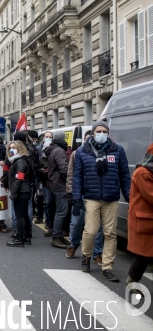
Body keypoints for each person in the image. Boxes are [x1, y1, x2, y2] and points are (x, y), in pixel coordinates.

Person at [73, 120, 130, 282]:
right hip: (91, 197)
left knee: (110, 233)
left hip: (111, 198)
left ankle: (107, 267)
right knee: (90, 231)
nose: (101, 134)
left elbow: (125, 175)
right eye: (98, 131)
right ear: (92, 133)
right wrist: (77, 196)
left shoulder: (117, 150)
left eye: (104, 132)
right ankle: (86, 256)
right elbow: (77, 176)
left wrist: (129, 196)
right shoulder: (83, 151)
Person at [66, 131, 104, 261]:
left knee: (98, 227)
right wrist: (71, 193)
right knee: (77, 223)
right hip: (80, 194)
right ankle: (73, 244)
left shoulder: (102, 153)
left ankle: (97, 253)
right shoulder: (77, 154)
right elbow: (71, 175)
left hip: (95, 194)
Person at [125, 142, 153, 288]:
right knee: (143, 255)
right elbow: (151, 195)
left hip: (147, 219)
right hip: (145, 220)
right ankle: (132, 281)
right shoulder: (143, 172)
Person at [44, 131, 70, 249]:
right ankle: (56, 237)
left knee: (59, 210)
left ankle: (58, 235)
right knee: (61, 211)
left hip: (55, 183)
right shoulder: (59, 151)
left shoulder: (53, 149)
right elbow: (64, 168)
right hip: (60, 184)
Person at [5, 141, 34, 248]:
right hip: (24, 191)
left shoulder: (20, 162)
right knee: (24, 215)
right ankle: (26, 236)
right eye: (10, 148)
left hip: (21, 191)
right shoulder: (19, 160)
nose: (11, 150)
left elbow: (19, 178)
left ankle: (19, 239)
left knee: (20, 216)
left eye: (14, 147)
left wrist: (14, 193)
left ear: (20, 149)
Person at [39, 131, 56, 236]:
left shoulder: (56, 150)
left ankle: (53, 225)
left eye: (50, 137)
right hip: (45, 182)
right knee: (48, 202)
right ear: (43, 138)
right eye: (47, 137)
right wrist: (43, 171)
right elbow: (35, 165)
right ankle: (49, 223)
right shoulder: (38, 150)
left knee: (54, 204)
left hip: (55, 182)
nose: (48, 138)